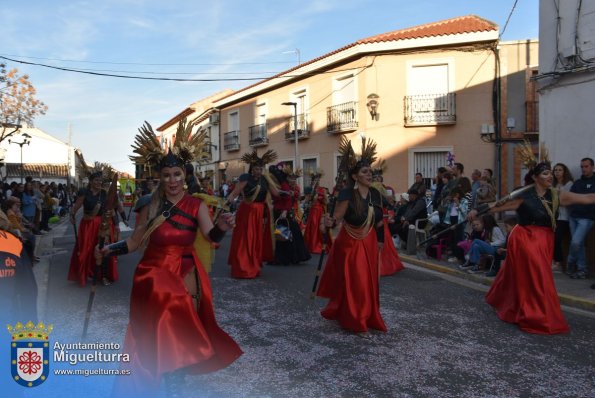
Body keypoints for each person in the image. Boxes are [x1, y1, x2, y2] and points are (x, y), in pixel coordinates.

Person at [99, 119, 242, 397]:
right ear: (160, 177)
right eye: (166, 175)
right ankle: (157, 376)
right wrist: (109, 249)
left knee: (176, 318)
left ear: (184, 176)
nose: (172, 181)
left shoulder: (196, 205)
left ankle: (175, 379)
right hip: (150, 277)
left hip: (183, 272)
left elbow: (211, 238)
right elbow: (134, 242)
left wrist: (222, 228)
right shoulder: (149, 205)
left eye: (177, 174)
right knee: (153, 330)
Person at [470, 152, 595, 334]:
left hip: (545, 239)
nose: (550, 176)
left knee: (527, 276)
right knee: (538, 276)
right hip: (524, 238)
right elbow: (498, 205)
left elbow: (587, 199)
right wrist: (477, 210)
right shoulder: (523, 196)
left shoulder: (558, 195)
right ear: (535, 178)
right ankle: (537, 315)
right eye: (545, 174)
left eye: (550, 173)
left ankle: (518, 307)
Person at [316, 137, 387, 335]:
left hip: (370, 242)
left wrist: (380, 240)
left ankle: (367, 315)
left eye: (370, 171)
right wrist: (329, 222)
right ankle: (354, 317)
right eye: (365, 172)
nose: (369, 174)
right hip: (350, 243)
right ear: (355, 176)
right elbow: (337, 218)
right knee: (357, 280)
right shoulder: (347, 194)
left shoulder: (376, 194)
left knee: (369, 281)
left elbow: (380, 220)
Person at [226, 149, 281, 278]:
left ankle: (254, 264)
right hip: (247, 211)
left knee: (256, 239)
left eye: (261, 168)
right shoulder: (246, 178)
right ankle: (243, 266)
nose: (259, 171)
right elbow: (235, 193)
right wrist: (227, 202)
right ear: (252, 168)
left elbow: (276, 193)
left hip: (259, 213)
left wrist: (272, 178)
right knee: (245, 238)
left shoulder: (265, 179)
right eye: (256, 168)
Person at [68, 171, 119, 287]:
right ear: (91, 181)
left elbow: (111, 210)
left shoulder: (104, 194)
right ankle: (84, 274)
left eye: (100, 180)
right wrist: (72, 215)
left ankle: (104, 276)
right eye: (96, 180)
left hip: (102, 225)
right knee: (86, 250)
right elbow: (77, 206)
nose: (99, 182)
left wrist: (116, 224)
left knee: (103, 250)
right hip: (88, 226)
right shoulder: (84, 193)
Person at [269, 163, 311, 265]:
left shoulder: (290, 187)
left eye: (294, 179)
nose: (293, 180)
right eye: (291, 178)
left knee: (290, 234)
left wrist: (285, 211)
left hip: (287, 212)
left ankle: (292, 256)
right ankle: (285, 256)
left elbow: (290, 199)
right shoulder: (279, 185)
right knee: (282, 235)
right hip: (280, 211)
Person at [566, 157, 595, 279]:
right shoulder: (577, 183)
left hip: (587, 218)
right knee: (580, 244)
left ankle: (570, 262)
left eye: (586, 166)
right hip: (573, 217)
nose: (583, 169)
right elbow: (570, 197)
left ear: (592, 167)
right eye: (582, 167)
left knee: (576, 242)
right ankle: (582, 269)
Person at [552, 163, 574, 273]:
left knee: (557, 239)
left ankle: (558, 263)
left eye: (560, 170)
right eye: (555, 170)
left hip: (564, 217)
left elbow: (566, 201)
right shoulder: (553, 184)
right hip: (553, 217)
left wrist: (556, 200)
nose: (557, 172)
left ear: (564, 172)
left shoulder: (569, 184)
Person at [303, 171, 330, 254]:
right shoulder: (310, 189)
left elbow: (327, 202)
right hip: (313, 211)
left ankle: (322, 245)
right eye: (315, 180)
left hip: (320, 211)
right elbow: (306, 201)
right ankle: (312, 245)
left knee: (321, 228)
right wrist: (312, 197)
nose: (317, 181)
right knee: (313, 227)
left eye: (318, 180)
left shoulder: (322, 189)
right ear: (312, 181)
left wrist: (324, 195)